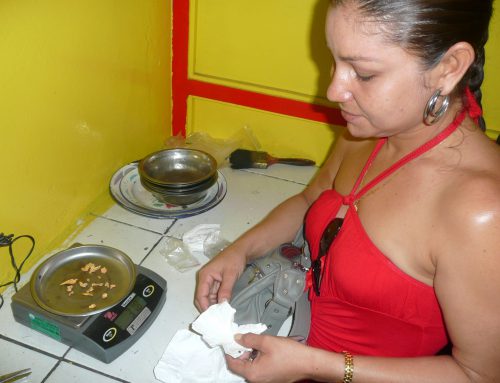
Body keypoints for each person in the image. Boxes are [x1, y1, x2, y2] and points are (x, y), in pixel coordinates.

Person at [195, 0, 500, 382]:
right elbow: (311, 200)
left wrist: (314, 365)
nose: (334, 90)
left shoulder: (479, 210)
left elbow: (479, 374)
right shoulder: (368, 129)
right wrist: (240, 250)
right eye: (334, 60)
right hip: (303, 343)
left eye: (364, 73)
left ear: (448, 67)